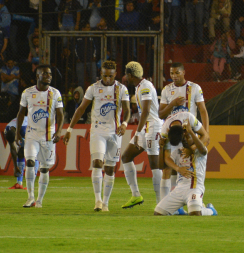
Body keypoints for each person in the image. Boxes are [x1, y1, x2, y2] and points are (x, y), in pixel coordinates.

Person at [63, 61, 130, 212]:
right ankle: (98, 200)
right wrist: (69, 129)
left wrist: (125, 123)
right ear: (101, 73)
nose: (107, 78)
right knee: (98, 163)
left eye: (110, 76)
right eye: (105, 75)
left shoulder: (122, 89)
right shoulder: (93, 88)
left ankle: (106, 202)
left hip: (115, 132)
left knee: (110, 169)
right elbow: (81, 109)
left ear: (115, 74)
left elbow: (127, 108)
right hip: (98, 131)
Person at [158, 62, 209, 210]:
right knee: (168, 168)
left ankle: (196, 200)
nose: (174, 76)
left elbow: (203, 110)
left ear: (183, 72)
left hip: (190, 132)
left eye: (177, 73)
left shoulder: (194, 88)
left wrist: (206, 132)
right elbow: (161, 114)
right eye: (172, 73)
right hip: (172, 131)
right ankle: (168, 204)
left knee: (193, 166)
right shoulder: (167, 90)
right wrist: (172, 103)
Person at [16, 64, 64, 208]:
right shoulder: (27, 93)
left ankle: (39, 200)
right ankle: (30, 197)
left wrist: (59, 131)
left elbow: (61, 114)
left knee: (44, 168)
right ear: (38, 76)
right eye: (45, 74)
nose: (48, 76)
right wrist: (18, 133)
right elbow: (20, 114)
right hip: (32, 134)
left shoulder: (55, 93)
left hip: (48, 135)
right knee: (30, 162)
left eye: (49, 74)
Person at [120, 61, 163, 208]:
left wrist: (137, 133)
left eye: (126, 74)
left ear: (130, 75)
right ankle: (136, 195)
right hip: (146, 127)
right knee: (126, 156)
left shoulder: (145, 87)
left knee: (155, 165)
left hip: (152, 127)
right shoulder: (141, 86)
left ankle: (161, 203)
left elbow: (145, 111)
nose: (125, 77)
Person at [154, 123, 217, 216]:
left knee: (195, 213)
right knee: (158, 213)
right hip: (179, 190)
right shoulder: (178, 151)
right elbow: (161, 166)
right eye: (184, 139)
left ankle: (211, 210)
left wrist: (190, 131)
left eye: (188, 137)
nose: (185, 141)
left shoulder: (200, 149)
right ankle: (180, 211)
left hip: (194, 188)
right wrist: (162, 148)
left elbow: (203, 150)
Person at [4, 116, 39, 189]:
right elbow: (12, 148)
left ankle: (31, 184)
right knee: (20, 154)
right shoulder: (7, 130)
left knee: (32, 155)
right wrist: (15, 166)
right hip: (21, 128)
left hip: (33, 128)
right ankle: (19, 183)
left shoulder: (24, 130)